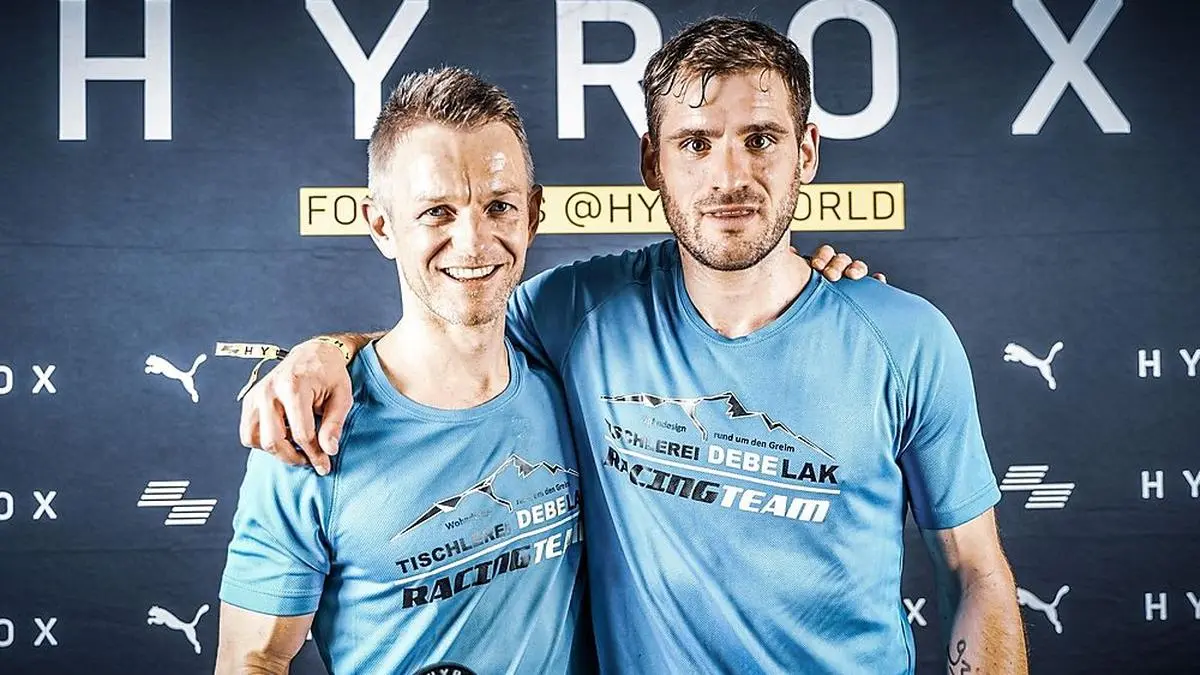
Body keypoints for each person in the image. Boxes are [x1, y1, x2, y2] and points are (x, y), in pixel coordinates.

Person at [239, 16, 1028, 675]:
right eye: (695, 143)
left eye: (760, 138)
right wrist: (324, 352)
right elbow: (452, 326)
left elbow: (978, 573)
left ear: (808, 152)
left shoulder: (905, 338)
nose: (730, 176)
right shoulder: (578, 311)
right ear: (652, 160)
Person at [215, 67, 594, 675]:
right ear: (382, 225)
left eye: (498, 206)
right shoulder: (310, 433)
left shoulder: (573, 377)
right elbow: (253, 659)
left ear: (532, 215)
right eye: (437, 212)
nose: (473, 242)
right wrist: (326, 352)